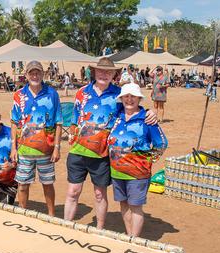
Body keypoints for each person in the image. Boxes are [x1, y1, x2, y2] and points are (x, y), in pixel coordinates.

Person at [64, 57, 157, 229]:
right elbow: (74, 119)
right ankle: (66, 226)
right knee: (72, 192)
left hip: (102, 155)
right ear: (94, 72)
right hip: (77, 152)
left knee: (100, 194)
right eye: (100, 71)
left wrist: (150, 111)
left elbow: (133, 108)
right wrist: (71, 133)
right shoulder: (82, 93)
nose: (104, 74)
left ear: (114, 74)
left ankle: (99, 228)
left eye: (108, 72)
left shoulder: (119, 95)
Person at [108, 83, 167, 236]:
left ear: (139, 99)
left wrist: (147, 160)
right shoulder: (117, 116)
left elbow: (161, 143)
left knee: (135, 206)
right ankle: (130, 236)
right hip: (117, 172)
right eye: (126, 96)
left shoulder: (147, 119)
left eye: (133, 96)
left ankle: (134, 241)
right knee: (123, 204)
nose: (129, 99)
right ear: (121, 98)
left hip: (138, 174)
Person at [10, 60, 62, 217]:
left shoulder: (52, 94)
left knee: (47, 184)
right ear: (26, 75)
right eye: (31, 72)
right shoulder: (19, 95)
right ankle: (23, 214)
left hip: (46, 150)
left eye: (38, 72)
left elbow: (59, 122)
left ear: (43, 74)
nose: (35, 75)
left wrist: (57, 148)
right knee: (23, 185)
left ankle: (52, 215)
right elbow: (14, 122)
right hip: (24, 151)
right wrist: (13, 147)